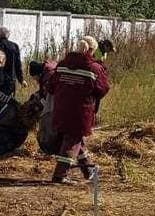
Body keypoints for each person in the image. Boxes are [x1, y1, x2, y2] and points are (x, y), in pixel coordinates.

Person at [44, 37, 110, 183]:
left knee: (75, 137)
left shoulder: (63, 64)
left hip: (61, 109)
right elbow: (103, 89)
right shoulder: (95, 68)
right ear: (92, 50)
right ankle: (60, 175)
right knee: (72, 140)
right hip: (80, 112)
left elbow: (51, 86)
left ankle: (87, 170)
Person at [0, 26, 24, 97]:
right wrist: (21, 80)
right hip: (10, 82)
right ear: (8, 35)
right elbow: (18, 64)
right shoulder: (14, 46)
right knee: (9, 101)